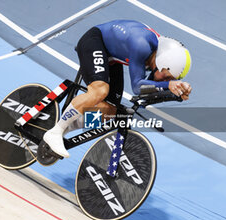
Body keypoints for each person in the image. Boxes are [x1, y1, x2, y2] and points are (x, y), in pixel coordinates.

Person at [43, 19, 192, 159]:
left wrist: (176, 93)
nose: (165, 80)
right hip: (94, 41)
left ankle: (66, 128)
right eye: (166, 77)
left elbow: (149, 89)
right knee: (99, 91)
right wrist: (167, 86)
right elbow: (137, 87)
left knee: (110, 111)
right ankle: (55, 131)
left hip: (112, 58)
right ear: (162, 63)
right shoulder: (142, 45)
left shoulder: (158, 58)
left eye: (170, 79)